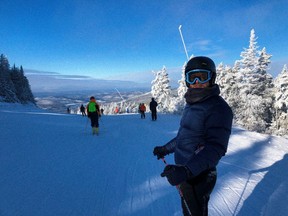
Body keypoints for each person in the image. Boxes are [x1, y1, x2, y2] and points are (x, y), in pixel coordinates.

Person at [153, 56, 233, 216]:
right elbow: (186, 136)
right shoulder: (193, 103)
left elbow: (216, 147)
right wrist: (165, 149)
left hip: (200, 175)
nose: (197, 81)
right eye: (192, 77)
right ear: (187, 80)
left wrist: (187, 171)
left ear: (212, 78)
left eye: (202, 76)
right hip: (186, 173)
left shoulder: (218, 108)